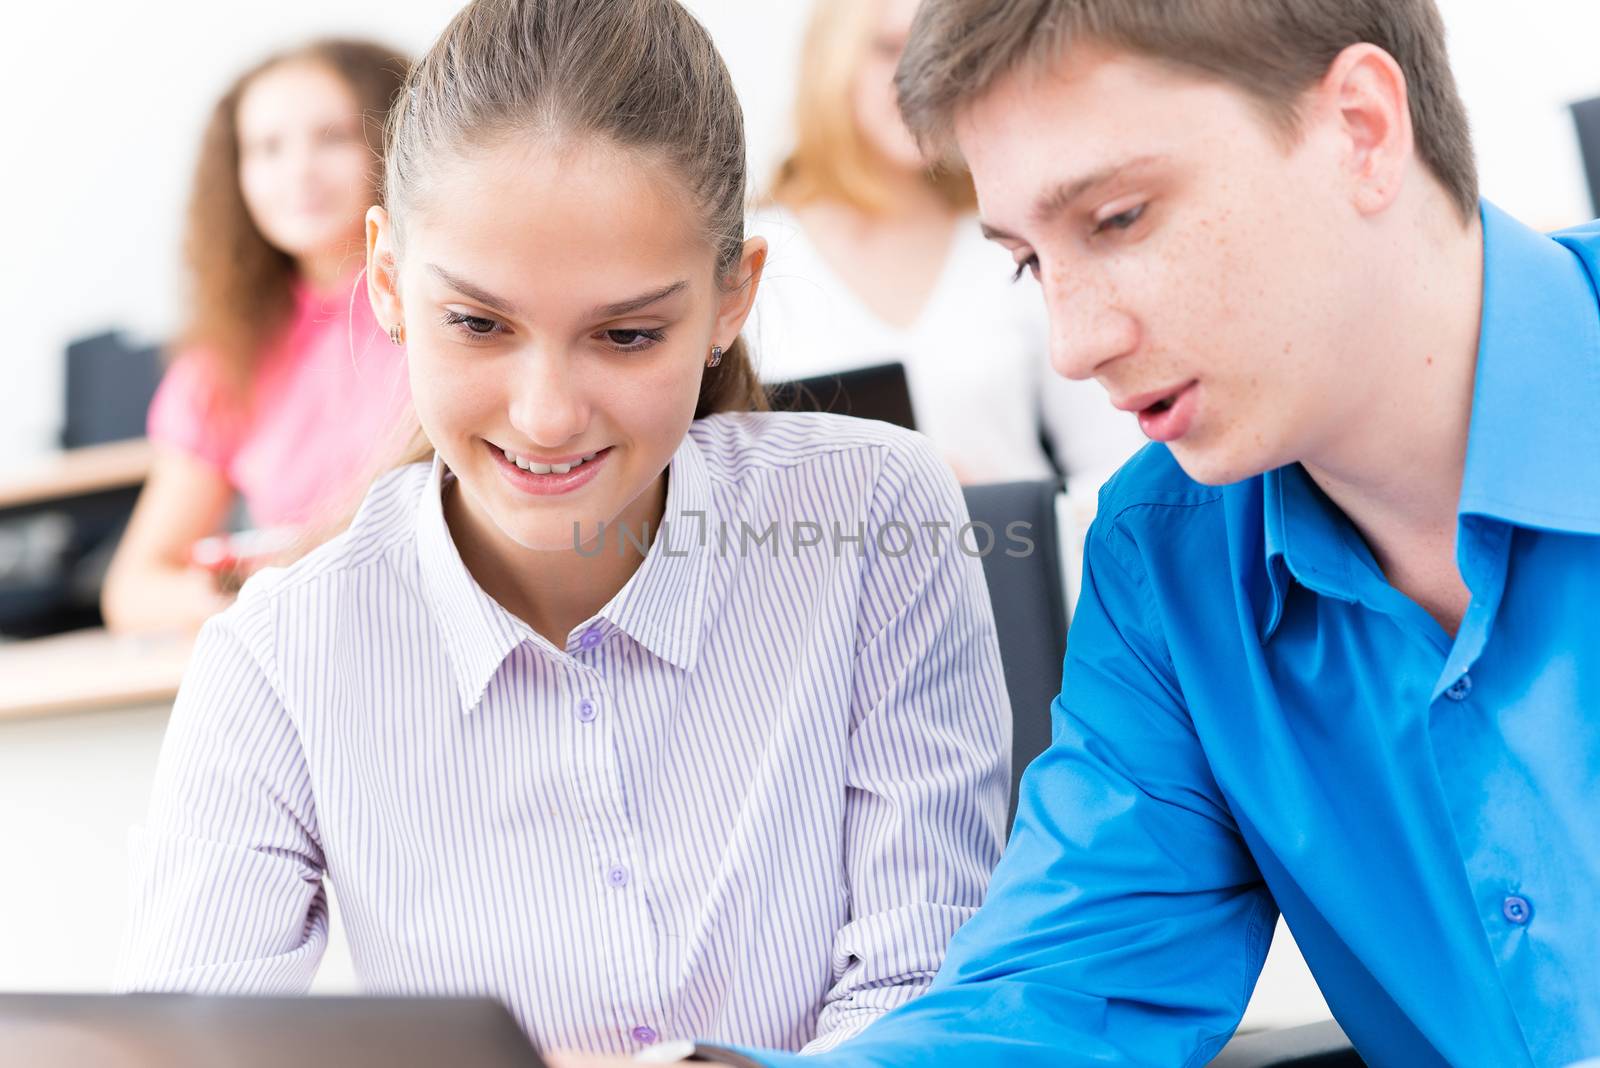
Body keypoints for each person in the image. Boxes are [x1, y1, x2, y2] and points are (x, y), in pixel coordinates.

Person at [554, 0, 1600, 1066]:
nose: (1073, 342)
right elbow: (1062, 994)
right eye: (1024, 261)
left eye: (1118, 219)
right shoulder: (1168, 557)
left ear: (1360, 129)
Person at [115, 0, 1010, 1059]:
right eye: (478, 324)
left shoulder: (874, 519)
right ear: (390, 282)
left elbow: (922, 994)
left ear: (733, 298)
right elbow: (190, 1049)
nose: (544, 416)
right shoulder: (280, 655)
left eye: (626, 335)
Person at [750, 0, 1141, 488]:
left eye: (937, 49)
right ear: (831, 65)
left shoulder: (1014, 242)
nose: (919, 73)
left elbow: (1114, 465)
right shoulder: (755, 258)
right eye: (889, 48)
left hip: (1015, 552)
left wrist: (997, 512)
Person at [100, 40, 412, 634]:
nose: (299, 172)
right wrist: (252, 606)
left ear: (396, 141)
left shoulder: (458, 310)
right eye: (267, 149)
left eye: (333, 137)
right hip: (305, 642)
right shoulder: (223, 360)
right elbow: (134, 587)